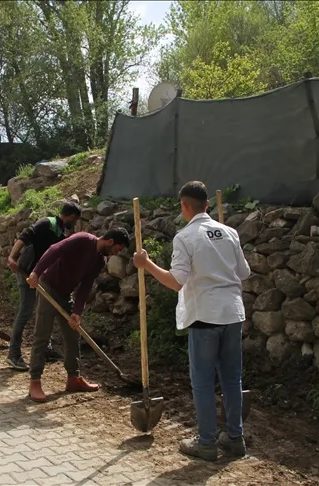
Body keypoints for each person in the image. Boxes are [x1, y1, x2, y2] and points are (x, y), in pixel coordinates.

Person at [133, 181, 251, 461]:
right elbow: (244, 272)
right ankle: (235, 438)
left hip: (205, 315)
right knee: (232, 378)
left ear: (184, 206)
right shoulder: (230, 232)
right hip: (233, 313)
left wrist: (146, 264)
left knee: (203, 381)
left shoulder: (185, 237)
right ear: (207, 205)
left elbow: (176, 282)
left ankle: (207, 442)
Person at [26, 228, 130, 403]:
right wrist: (36, 272)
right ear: (110, 241)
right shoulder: (83, 239)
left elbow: (86, 285)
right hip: (48, 287)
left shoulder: (100, 261)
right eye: (117, 249)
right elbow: (54, 249)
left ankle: (73, 378)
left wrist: (77, 311)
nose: (116, 254)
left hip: (65, 294)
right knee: (42, 335)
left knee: (73, 334)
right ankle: (35, 381)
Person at [5, 202, 83, 371]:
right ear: (71, 216)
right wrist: (12, 257)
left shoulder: (60, 232)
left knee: (44, 310)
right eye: (75, 220)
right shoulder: (47, 223)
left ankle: (46, 348)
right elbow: (24, 237)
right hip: (26, 272)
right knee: (25, 311)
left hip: (40, 277)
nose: (75, 223)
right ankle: (13, 354)